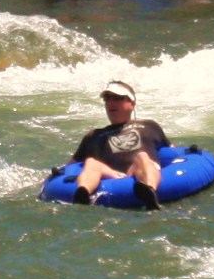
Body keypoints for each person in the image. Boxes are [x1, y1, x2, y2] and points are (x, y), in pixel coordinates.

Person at [68, 79, 170, 207]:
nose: (110, 102)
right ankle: (82, 193)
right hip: (113, 174)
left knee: (142, 156)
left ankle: (149, 192)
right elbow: (71, 166)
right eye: (107, 99)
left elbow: (172, 151)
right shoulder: (94, 135)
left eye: (117, 98)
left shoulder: (149, 126)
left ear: (131, 103)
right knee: (91, 162)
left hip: (139, 169)